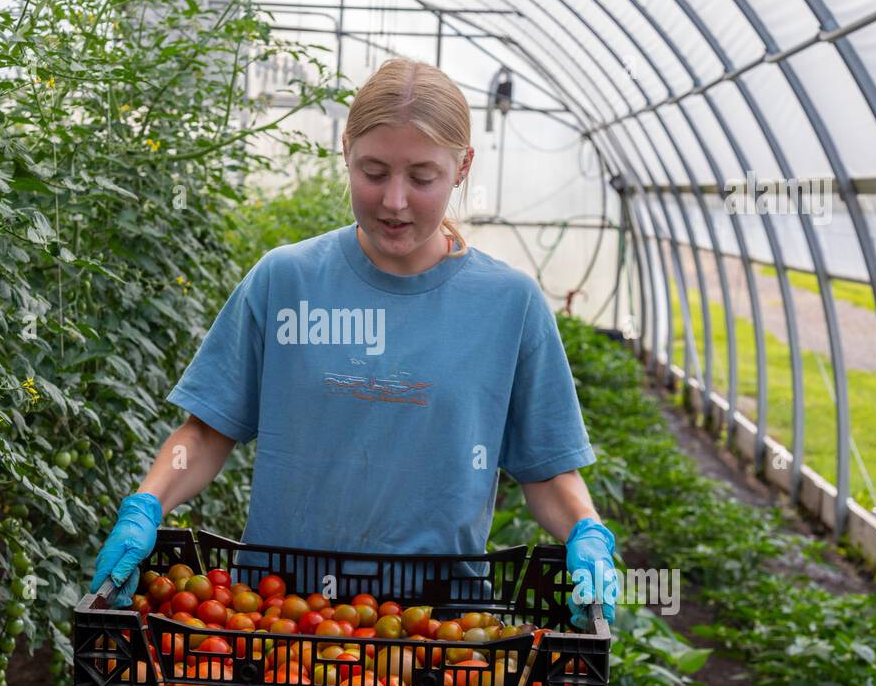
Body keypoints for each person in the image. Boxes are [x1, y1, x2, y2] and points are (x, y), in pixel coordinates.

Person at [90, 57, 619, 631]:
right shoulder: (285, 280)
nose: (394, 201)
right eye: (374, 172)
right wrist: (146, 506)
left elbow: (545, 470)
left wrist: (585, 531)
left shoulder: (509, 305)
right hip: (277, 618)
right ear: (345, 151)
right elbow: (208, 430)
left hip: (436, 632)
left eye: (422, 178)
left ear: (463, 167)